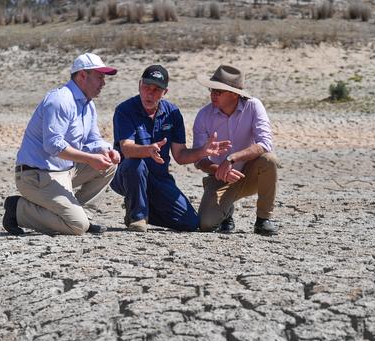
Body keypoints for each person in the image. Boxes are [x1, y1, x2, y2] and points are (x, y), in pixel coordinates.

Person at [2, 53, 121, 236]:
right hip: (35, 176)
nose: (103, 83)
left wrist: (107, 150)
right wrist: (90, 158)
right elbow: (53, 145)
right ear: (82, 76)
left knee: (109, 164)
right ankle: (18, 209)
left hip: (64, 172)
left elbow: (92, 140)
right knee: (76, 227)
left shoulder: (88, 105)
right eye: (99, 77)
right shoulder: (60, 100)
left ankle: (81, 213)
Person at [110, 65, 231, 232]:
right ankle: (137, 216)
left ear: (165, 92)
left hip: (159, 178)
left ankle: (138, 206)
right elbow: (126, 149)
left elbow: (180, 156)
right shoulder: (125, 110)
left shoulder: (172, 112)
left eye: (156, 89)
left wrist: (202, 152)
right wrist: (147, 150)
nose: (150, 93)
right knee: (135, 164)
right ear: (139, 85)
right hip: (127, 176)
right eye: (146, 87)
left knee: (190, 223)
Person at [193, 65, 279, 236]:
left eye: (219, 91)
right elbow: (199, 159)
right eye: (212, 90)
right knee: (205, 224)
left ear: (234, 94)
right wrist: (220, 171)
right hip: (219, 178)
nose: (212, 94)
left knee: (269, 160)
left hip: (250, 174)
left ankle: (263, 219)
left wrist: (232, 158)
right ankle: (226, 213)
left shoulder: (254, 106)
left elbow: (265, 144)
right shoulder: (203, 115)